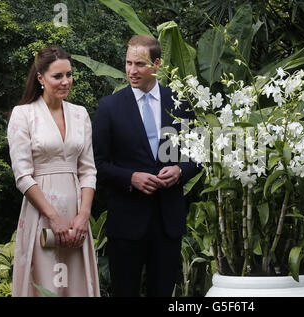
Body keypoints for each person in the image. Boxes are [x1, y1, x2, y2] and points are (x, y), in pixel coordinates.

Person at [92, 35, 200, 297]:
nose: (131, 70)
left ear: (157, 64)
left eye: (139, 64)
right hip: (127, 223)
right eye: (128, 63)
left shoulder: (180, 103)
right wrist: (131, 177)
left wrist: (180, 171)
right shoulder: (109, 107)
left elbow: (198, 153)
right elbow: (97, 165)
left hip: (167, 222)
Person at [7, 45, 100, 297]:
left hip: (76, 218)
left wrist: (83, 216)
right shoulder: (23, 115)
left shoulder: (80, 114)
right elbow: (23, 176)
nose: (65, 81)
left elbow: (88, 170)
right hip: (42, 216)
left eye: (69, 75)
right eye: (57, 76)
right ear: (40, 78)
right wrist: (54, 219)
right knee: (45, 284)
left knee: (77, 285)